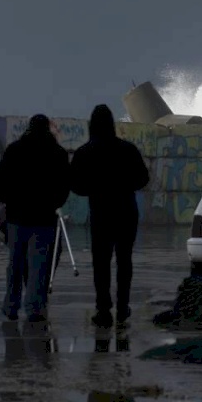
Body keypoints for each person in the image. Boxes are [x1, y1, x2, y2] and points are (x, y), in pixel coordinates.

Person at [71, 104, 149, 327]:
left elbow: (75, 185)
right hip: (126, 211)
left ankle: (103, 309)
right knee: (124, 261)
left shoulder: (85, 152)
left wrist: (94, 188)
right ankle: (123, 307)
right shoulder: (128, 149)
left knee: (101, 262)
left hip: (101, 212)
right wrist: (125, 185)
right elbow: (143, 179)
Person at [0, 114, 71, 323]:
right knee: (39, 265)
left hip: (17, 217)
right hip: (44, 218)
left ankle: (11, 306)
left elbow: (0, 179)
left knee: (15, 264)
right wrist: (55, 203)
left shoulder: (14, 150)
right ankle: (34, 308)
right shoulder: (58, 153)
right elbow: (65, 185)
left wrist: (7, 201)